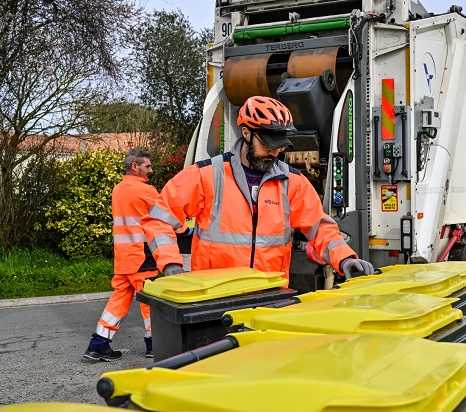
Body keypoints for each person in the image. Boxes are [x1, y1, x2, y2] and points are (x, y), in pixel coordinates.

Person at [141, 96, 374, 281]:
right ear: (246, 133)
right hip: (216, 299)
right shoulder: (206, 176)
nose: (275, 152)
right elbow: (158, 220)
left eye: (279, 146)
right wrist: (171, 265)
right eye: (267, 145)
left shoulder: (292, 182)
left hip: (269, 297)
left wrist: (344, 258)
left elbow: (320, 229)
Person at [83, 149, 160, 362]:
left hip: (123, 256)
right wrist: (187, 230)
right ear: (135, 167)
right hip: (142, 256)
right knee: (150, 302)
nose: (151, 170)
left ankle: (97, 345)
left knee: (117, 302)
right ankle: (155, 345)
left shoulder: (117, 189)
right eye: (147, 166)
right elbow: (166, 218)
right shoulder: (146, 191)